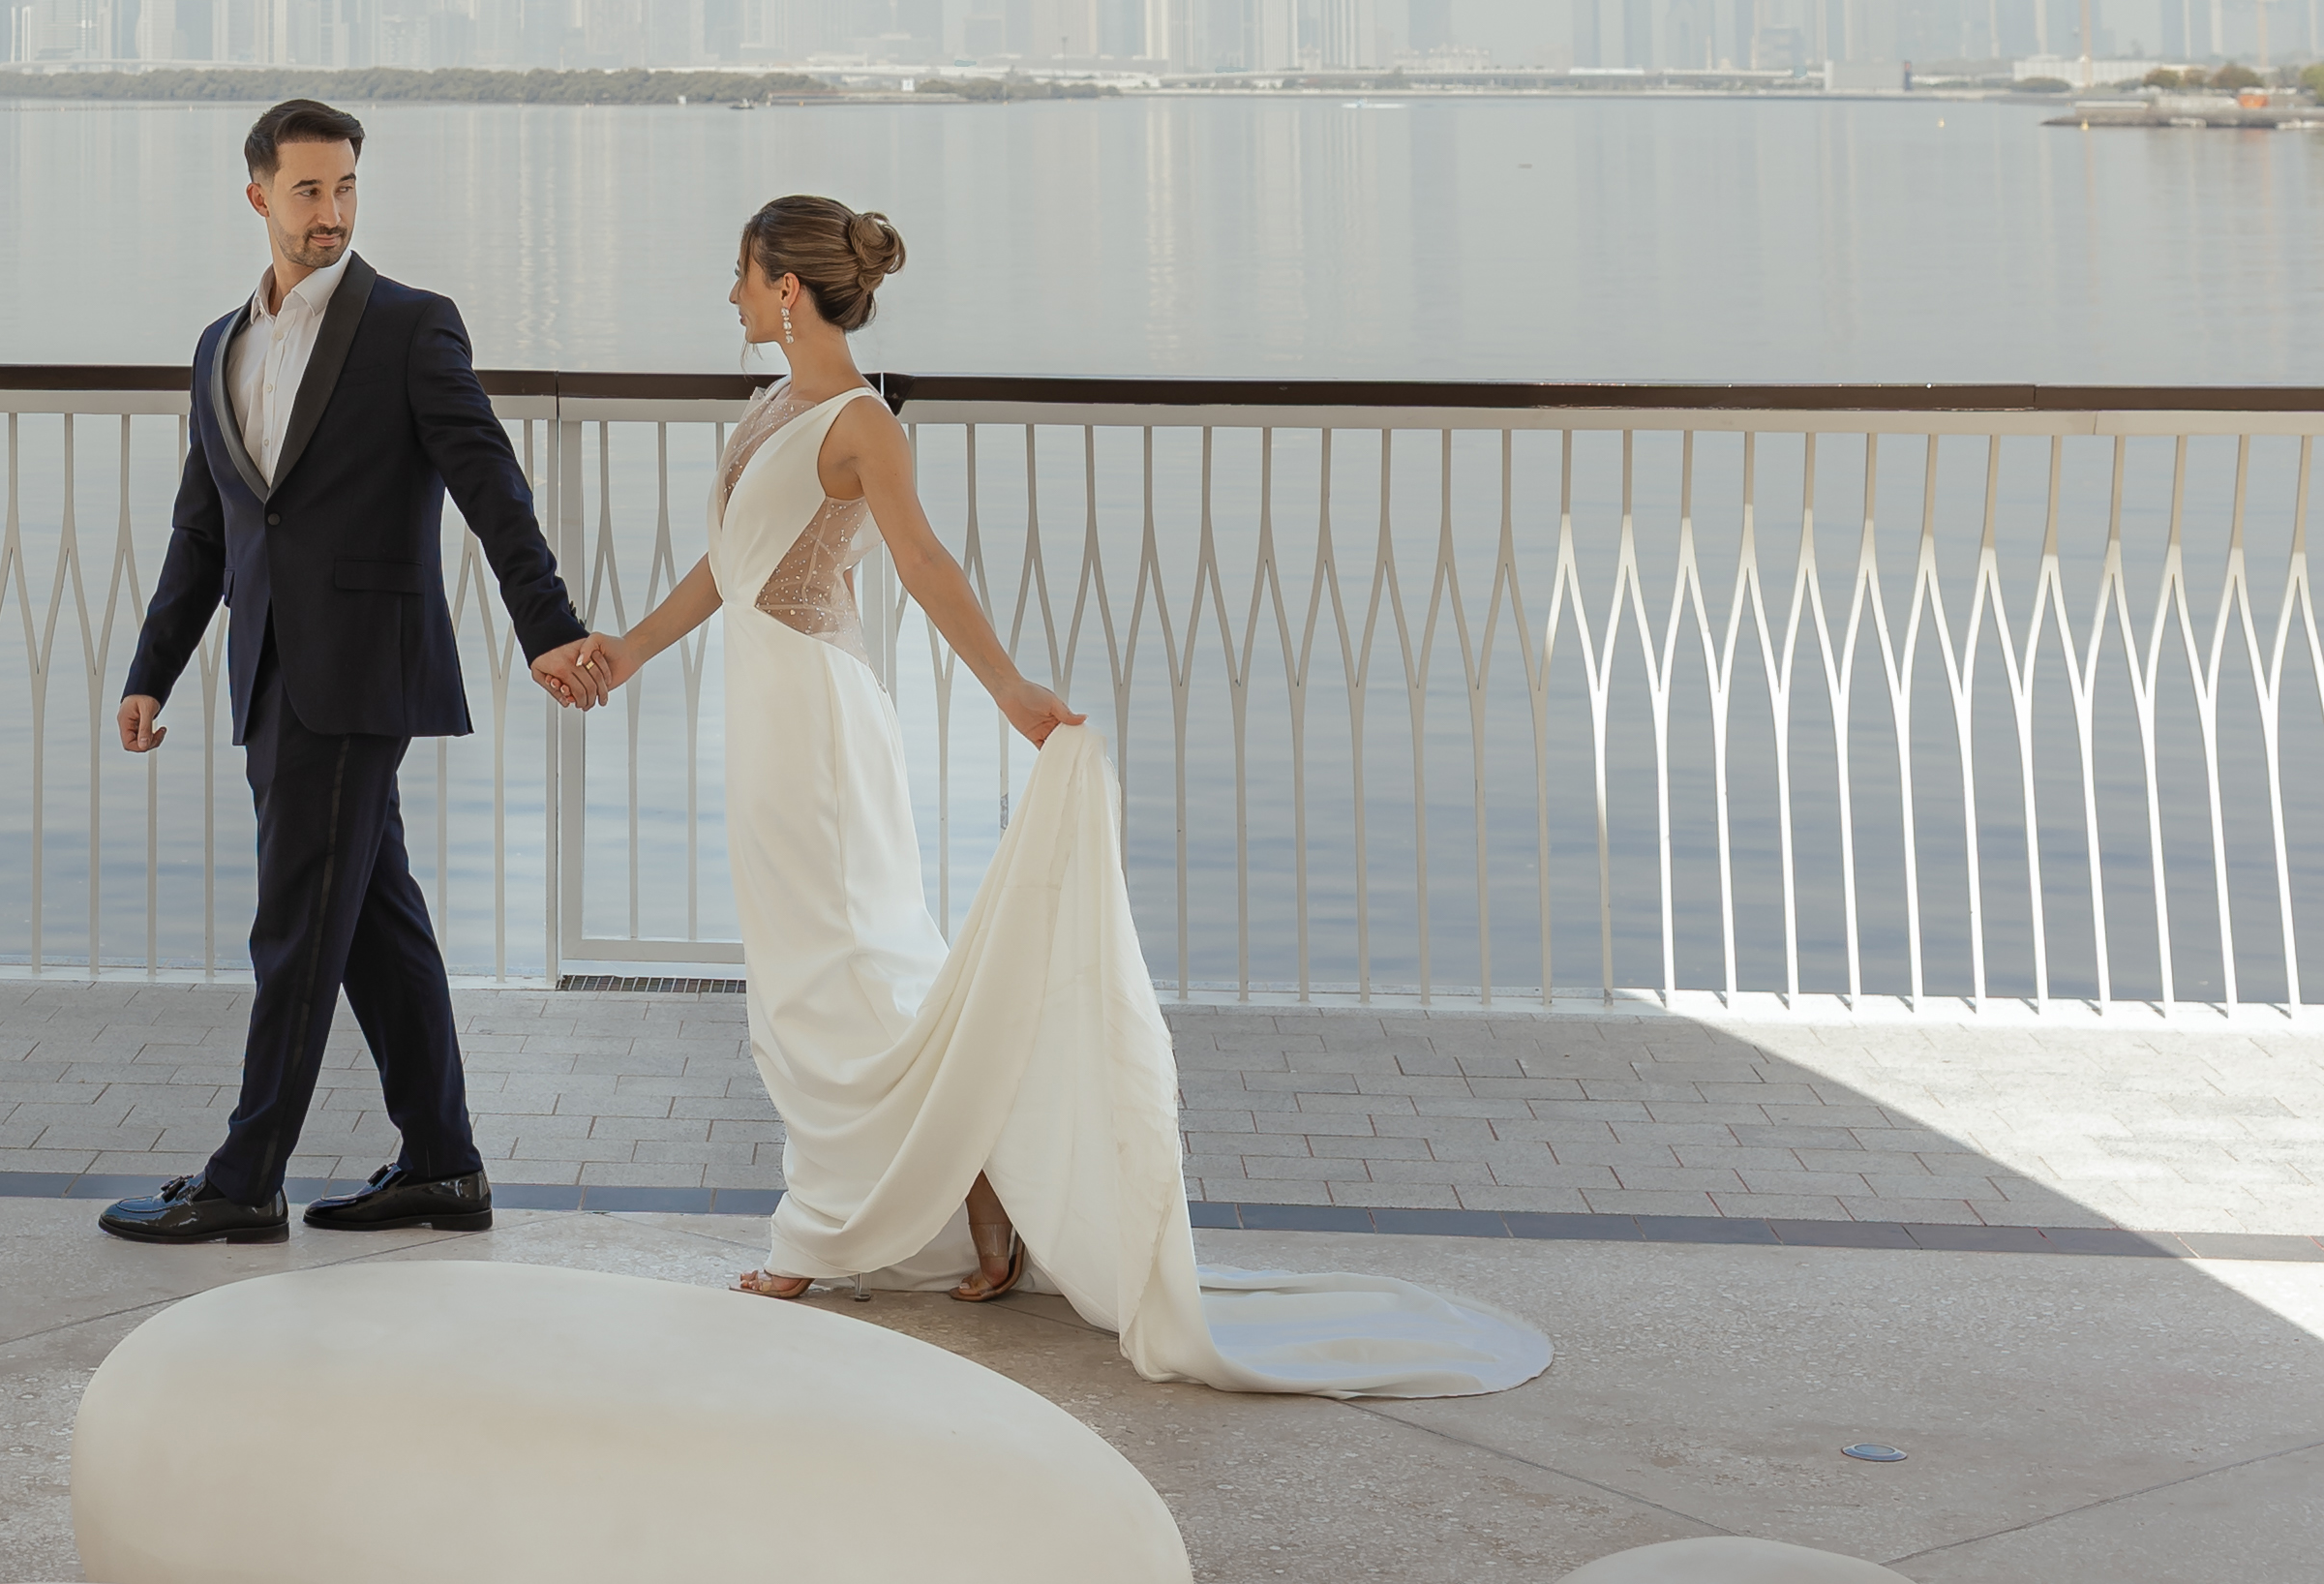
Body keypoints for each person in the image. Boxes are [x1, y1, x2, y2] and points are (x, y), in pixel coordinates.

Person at [566, 196, 1546, 1396]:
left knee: (848, 965)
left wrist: (1012, 692)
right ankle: (977, 1194)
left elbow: (924, 565)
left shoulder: (862, 421)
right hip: (763, 721)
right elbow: (730, 572)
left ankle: (830, 1233)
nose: (727, 294)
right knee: (807, 969)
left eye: (739, 273)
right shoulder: (770, 405)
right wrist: (624, 651)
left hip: (819, 730)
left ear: (785, 288)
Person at [100, 100, 608, 1249]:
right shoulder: (218, 346)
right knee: (373, 922)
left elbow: (493, 488)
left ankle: (246, 1178)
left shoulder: (411, 327)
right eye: (309, 193)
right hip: (270, 668)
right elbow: (205, 530)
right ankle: (444, 1166)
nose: (331, 214)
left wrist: (549, 630)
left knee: (295, 927)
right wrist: (152, 672)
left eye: (345, 191)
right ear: (259, 198)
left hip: (361, 671)